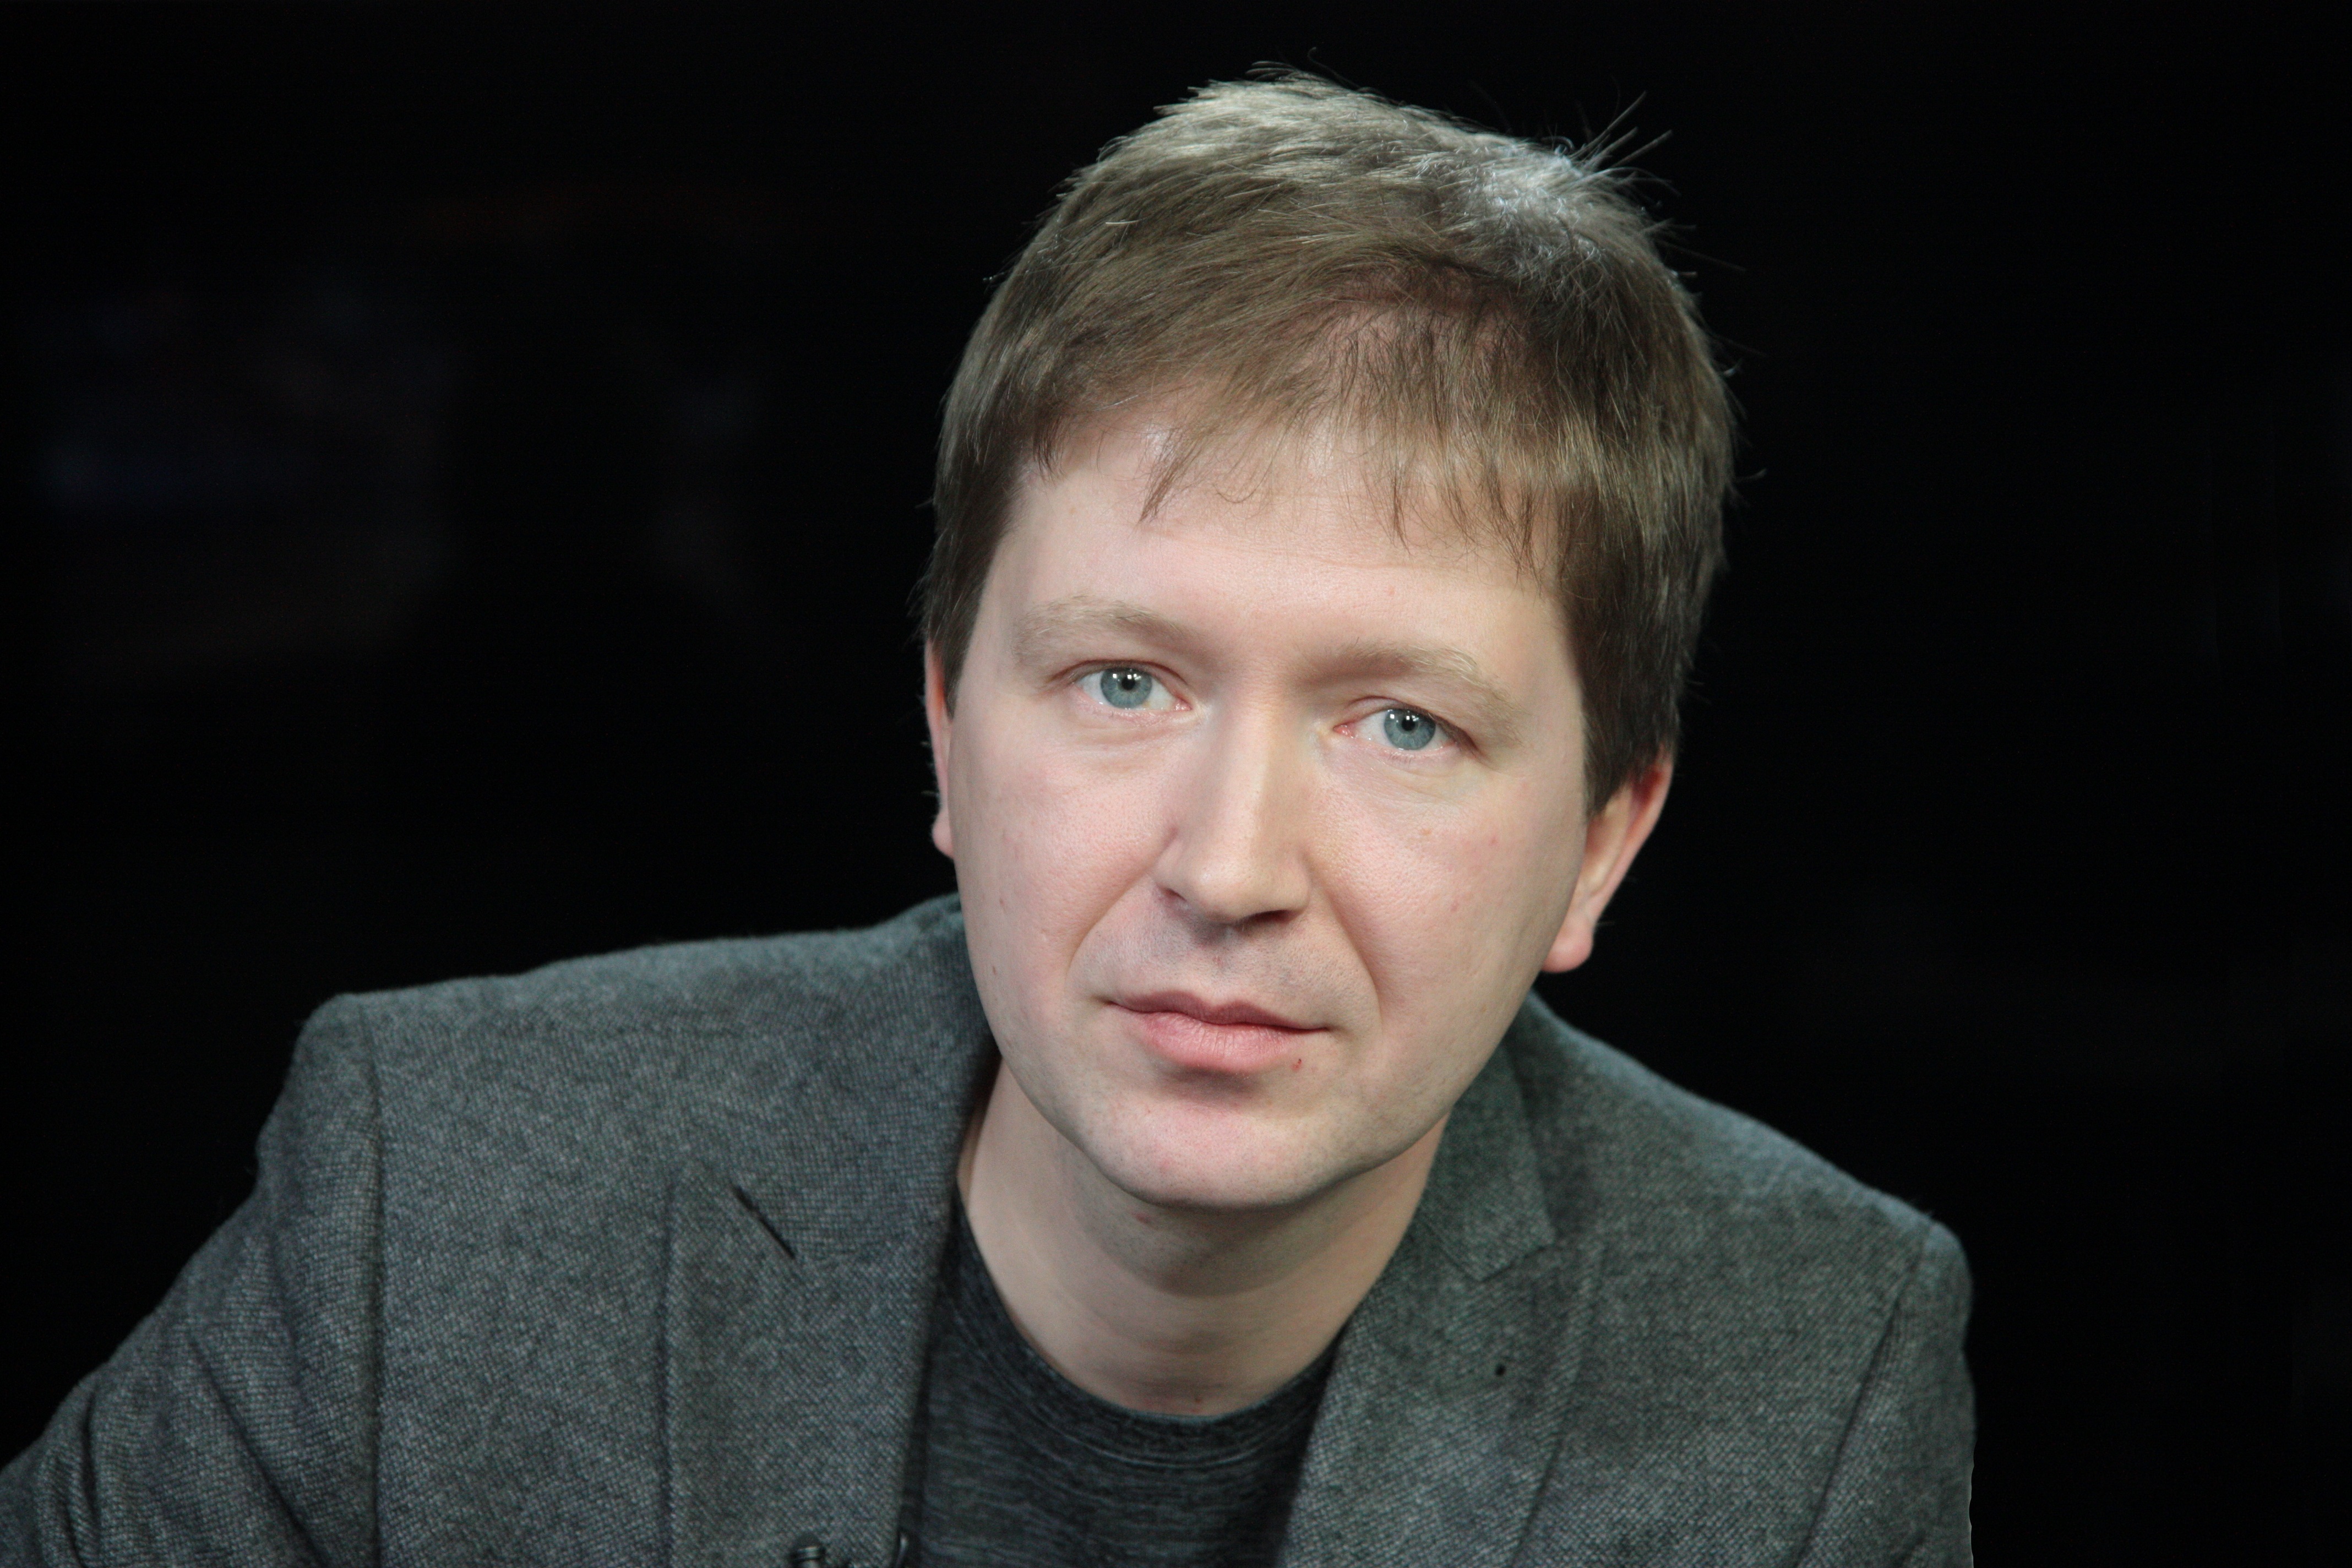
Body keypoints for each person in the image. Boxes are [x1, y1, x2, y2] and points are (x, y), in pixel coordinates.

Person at [0, 74, 1973, 1566]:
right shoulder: (430, 1203)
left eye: (1403, 724)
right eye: (1125, 683)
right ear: (946, 728)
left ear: (1605, 841)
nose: (1229, 868)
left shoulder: (1814, 1368)